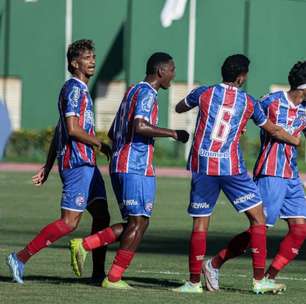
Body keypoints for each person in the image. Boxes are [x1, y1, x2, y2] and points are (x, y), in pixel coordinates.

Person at [172, 54, 300, 294]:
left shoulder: (204, 93)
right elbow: (271, 129)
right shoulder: (249, 103)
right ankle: (259, 280)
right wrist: (294, 139)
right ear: (241, 78)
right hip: (231, 169)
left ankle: (193, 283)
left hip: (203, 165)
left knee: (200, 224)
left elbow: (179, 107)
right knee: (258, 219)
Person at [69, 52, 189, 289]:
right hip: (134, 166)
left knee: (139, 222)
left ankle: (93, 252)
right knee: (138, 222)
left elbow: (114, 132)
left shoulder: (133, 90)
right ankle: (109, 273)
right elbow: (140, 126)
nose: (174, 75)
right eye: (172, 70)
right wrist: (174, 133)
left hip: (122, 164)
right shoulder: (147, 93)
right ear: (161, 71)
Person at [6, 39, 112, 284]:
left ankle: (97, 274)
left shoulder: (82, 90)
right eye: (87, 58)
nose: (92, 61)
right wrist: (99, 143)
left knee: (102, 215)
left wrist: (47, 164)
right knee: (69, 223)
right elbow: (72, 130)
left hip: (87, 164)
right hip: (76, 164)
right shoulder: (73, 89)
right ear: (75, 64)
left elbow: (59, 130)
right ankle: (19, 258)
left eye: (93, 56)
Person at [207, 61, 306, 291]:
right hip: (270, 173)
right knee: (259, 229)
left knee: (299, 230)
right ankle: (214, 264)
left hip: (291, 175)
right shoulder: (270, 101)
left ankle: (270, 277)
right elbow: (243, 112)